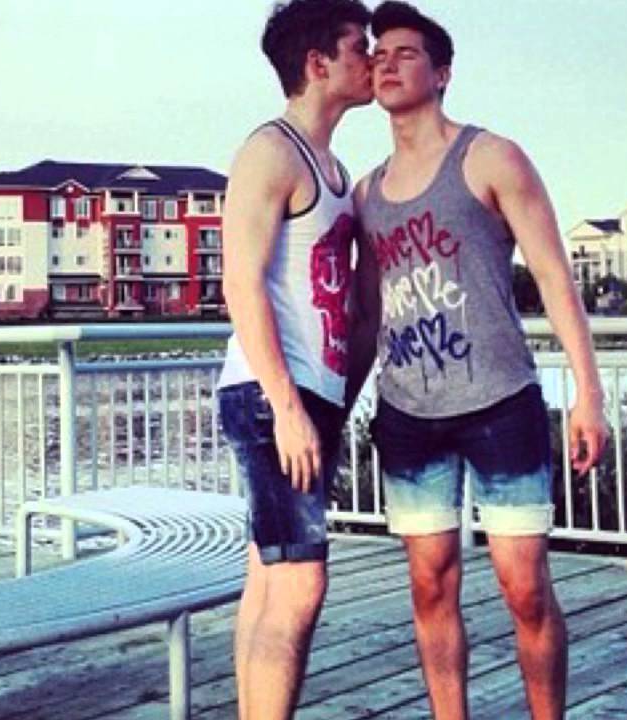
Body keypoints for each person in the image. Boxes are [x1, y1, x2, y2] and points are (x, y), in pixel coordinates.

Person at [353, 3, 610, 718]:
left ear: (442, 73)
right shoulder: (366, 192)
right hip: (408, 413)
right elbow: (368, 315)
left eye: (406, 53)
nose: (387, 63)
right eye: (378, 53)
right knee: (429, 584)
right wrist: (335, 411)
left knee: (524, 586)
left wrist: (588, 393)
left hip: (499, 402)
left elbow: (554, 276)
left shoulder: (491, 157)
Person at [216, 1, 379, 717]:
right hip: (269, 394)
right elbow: (240, 282)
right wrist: (286, 407)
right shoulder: (271, 151)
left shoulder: (334, 168)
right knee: (299, 584)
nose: (372, 58)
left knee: (269, 576)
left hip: (308, 396)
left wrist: (335, 403)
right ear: (318, 64)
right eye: (358, 46)